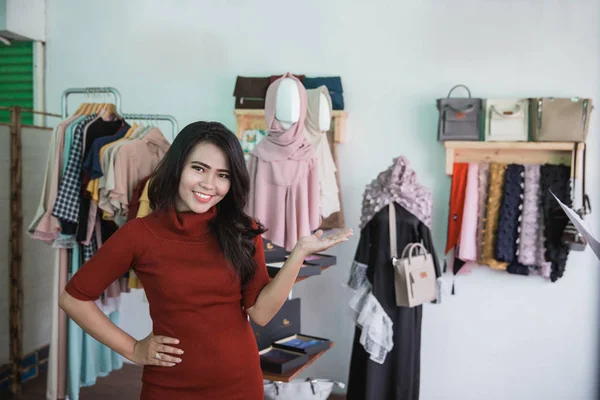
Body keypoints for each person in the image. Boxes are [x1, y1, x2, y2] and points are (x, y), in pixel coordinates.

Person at [59, 121, 353, 400]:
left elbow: (261, 313)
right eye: (199, 168)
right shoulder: (140, 234)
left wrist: (299, 253)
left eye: (223, 175)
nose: (210, 184)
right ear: (177, 167)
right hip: (169, 386)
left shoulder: (243, 232)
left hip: (240, 381)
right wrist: (133, 349)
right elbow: (74, 298)